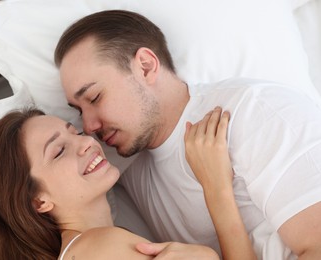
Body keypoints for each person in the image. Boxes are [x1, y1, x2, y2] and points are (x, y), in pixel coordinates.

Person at [54, 9, 321, 259]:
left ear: (146, 66)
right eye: (78, 110)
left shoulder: (252, 111)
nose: (88, 127)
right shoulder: (126, 168)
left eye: (94, 97)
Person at [0, 107, 256, 259]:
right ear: (38, 201)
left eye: (77, 133)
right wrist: (217, 188)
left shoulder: (96, 246)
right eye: (58, 151)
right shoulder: (99, 247)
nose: (85, 143)